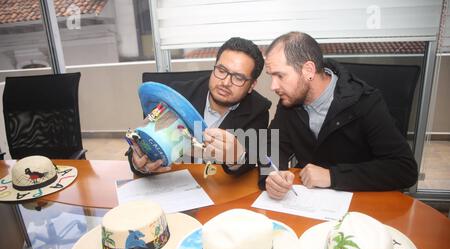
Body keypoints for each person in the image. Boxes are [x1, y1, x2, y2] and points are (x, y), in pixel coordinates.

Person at [260, 31, 418, 199]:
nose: (273, 86)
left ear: (308, 70)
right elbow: (271, 144)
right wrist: (272, 175)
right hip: (309, 201)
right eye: (271, 76)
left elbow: (404, 169)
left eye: (280, 76)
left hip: (359, 202)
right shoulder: (290, 99)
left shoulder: (365, 102)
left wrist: (332, 176)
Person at [127, 37, 271, 176]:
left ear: (252, 85)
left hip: (219, 190)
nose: (226, 82)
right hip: (173, 184)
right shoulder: (175, 97)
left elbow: (249, 161)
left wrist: (237, 158)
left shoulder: (258, 110)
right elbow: (143, 141)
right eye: (221, 70)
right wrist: (138, 163)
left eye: (238, 78)